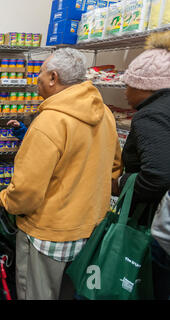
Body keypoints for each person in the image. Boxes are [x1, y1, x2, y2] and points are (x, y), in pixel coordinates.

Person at [0, 48, 123, 300]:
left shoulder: (49, 122)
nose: (38, 79)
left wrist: (4, 201)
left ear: (53, 77)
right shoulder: (105, 114)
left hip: (49, 233)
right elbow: (115, 168)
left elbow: (27, 191)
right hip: (89, 228)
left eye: (41, 73)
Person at [120, 31, 170, 300]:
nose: (125, 92)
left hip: (160, 229)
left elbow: (158, 175)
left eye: (129, 85)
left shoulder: (152, 114)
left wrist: (121, 184)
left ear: (146, 86)